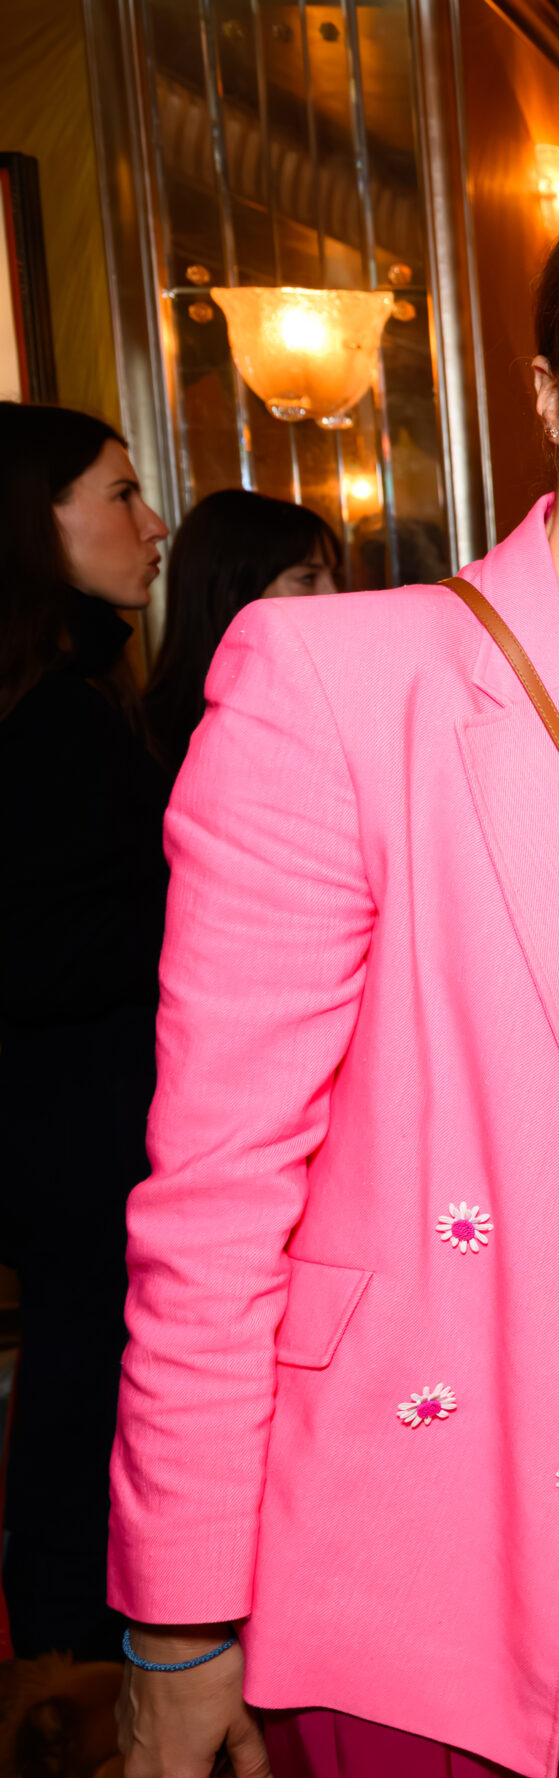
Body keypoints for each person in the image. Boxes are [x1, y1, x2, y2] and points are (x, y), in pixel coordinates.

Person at [111, 176, 559, 1778]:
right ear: (548, 392)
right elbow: (217, 1184)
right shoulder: (338, 685)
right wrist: (177, 1604)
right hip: (427, 1485)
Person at [0, 403, 170, 1665]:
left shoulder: (65, 692)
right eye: (118, 494)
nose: (149, 521)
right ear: (35, 522)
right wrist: (196, 913)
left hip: (55, 1122)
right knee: (90, 1404)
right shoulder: (55, 712)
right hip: (73, 1128)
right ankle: (74, 1698)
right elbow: (41, 949)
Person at [142, 488, 341, 771]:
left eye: (336, 576)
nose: (333, 595)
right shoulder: (145, 739)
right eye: (308, 578)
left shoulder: (326, 705)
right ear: (233, 591)